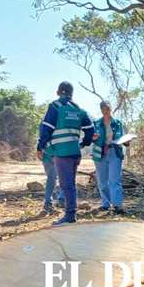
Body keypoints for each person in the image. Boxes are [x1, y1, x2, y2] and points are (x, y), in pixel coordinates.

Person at [37, 81, 94, 225]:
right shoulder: (79, 110)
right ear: (71, 94)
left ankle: (70, 216)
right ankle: (71, 213)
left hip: (62, 154)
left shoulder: (55, 106)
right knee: (71, 184)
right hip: (75, 153)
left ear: (58, 92)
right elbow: (90, 130)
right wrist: (83, 143)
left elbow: (47, 129)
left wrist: (40, 147)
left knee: (66, 185)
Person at [92, 101, 128, 214]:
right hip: (100, 153)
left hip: (114, 152)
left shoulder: (117, 123)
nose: (105, 111)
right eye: (103, 109)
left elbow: (123, 139)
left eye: (107, 109)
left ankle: (117, 205)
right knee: (102, 180)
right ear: (101, 110)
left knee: (114, 180)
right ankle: (105, 204)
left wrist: (127, 141)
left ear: (110, 108)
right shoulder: (96, 123)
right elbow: (90, 139)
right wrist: (93, 138)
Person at [40, 141, 64, 215]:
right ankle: (48, 204)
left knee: (59, 179)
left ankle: (61, 200)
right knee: (52, 180)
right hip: (51, 157)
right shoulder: (49, 129)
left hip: (59, 156)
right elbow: (43, 139)